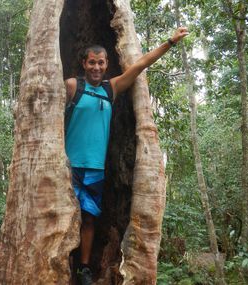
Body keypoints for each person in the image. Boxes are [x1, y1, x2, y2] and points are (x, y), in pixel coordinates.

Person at [64, 27, 189, 285]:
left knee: (88, 218)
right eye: (92, 63)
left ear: (107, 63)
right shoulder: (73, 86)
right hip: (67, 166)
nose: (96, 67)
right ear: (84, 63)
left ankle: (83, 268)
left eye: (101, 63)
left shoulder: (112, 88)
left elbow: (141, 63)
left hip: (95, 168)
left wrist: (170, 41)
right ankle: (61, 263)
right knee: (63, 216)